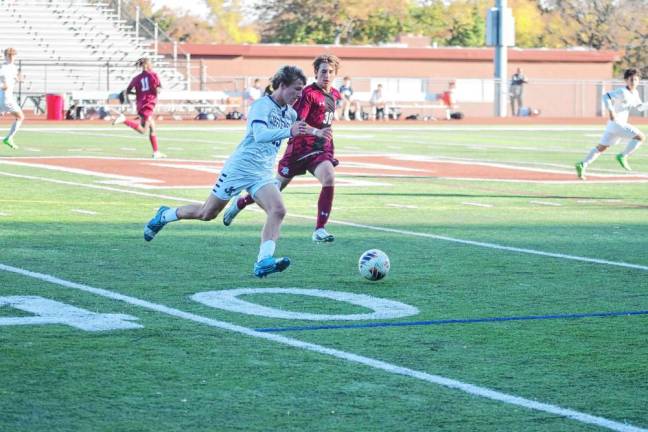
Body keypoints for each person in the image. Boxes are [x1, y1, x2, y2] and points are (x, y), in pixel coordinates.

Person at [142, 65, 332, 278]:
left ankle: (263, 261)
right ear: (282, 85)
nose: (299, 94)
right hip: (240, 168)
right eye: (296, 89)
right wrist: (290, 131)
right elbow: (260, 134)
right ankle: (165, 215)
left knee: (278, 210)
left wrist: (318, 133)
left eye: (301, 89)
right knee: (207, 213)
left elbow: (300, 127)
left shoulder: (290, 113)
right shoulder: (262, 105)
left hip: (261, 172)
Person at [221, 54, 341, 243]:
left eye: (330, 72)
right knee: (276, 187)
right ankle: (241, 202)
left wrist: (326, 138)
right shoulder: (308, 94)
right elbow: (298, 123)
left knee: (329, 177)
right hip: (299, 149)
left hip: (321, 149)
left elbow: (326, 120)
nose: (326, 75)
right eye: (323, 71)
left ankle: (319, 229)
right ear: (316, 73)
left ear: (335, 74)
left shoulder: (335, 94)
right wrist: (316, 131)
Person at [575, 68, 647, 180]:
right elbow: (606, 96)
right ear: (626, 80)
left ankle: (582, 164)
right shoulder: (622, 91)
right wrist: (611, 111)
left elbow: (639, 107)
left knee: (601, 148)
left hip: (613, 125)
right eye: (631, 79)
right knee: (641, 137)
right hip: (617, 123)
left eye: (636, 80)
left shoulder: (635, 93)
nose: (634, 82)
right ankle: (623, 155)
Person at [112, 58, 165, 159]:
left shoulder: (136, 78)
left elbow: (127, 91)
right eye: (150, 63)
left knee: (152, 127)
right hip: (148, 104)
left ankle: (156, 152)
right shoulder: (153, 75)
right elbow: (159, 88)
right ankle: (125, 120)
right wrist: (155, 90)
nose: (152, 65)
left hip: (140, 104)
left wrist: (139, 92)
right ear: (146, 65)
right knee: (144, 130)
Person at [1, 48, 24, 150]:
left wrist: (19, 79)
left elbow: (15, 78)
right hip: (5, 97)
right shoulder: (3, 67)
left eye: (12, 55)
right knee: (20, 117)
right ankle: (8, 138)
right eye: (8, 55)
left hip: (6, 96)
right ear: (5, 56)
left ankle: (8, 138)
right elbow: (2, 80)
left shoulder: (14, 67)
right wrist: (2, 85)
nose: (10, 57)